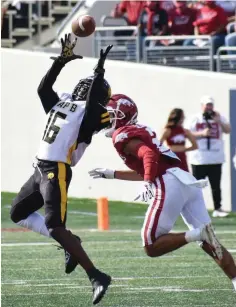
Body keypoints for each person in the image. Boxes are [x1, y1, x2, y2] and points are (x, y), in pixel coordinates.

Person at [89, 93, 236, 292]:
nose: (106, 118)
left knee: (151, 245)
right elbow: (150, 165)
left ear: (122, 116)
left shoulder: (121, 135)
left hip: (169, 183)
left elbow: (148, 156)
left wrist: (149, 181)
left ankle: (198, 234)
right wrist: (112, 174)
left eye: (110, 114)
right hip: (185, 180)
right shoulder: (140, 129)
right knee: (211, 244)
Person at [10, 33, 112, 305]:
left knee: (55, 225)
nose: (84, 87)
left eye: (90, 86)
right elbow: (43, 90)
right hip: (40, 168)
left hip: (57, 170)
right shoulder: (63, 102)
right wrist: (60, 63)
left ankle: (96, 275)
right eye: (86, 83)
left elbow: (91, 110)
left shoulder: (94, 115)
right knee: (18, 213)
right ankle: (71, 240)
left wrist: (98, 72)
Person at [187, 95, 231, 218]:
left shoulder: (219, 117)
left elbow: (228, 130)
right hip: (199, 158)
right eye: (207, 105)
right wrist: (201, 133)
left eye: (211, 105)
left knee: (216, 185)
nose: (209, 107)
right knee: (196, 186)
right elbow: (187, 133)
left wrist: (219, 121)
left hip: (216, 157)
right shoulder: (195, 118)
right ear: (202, 106)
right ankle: (193, 208)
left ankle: (218, 208)